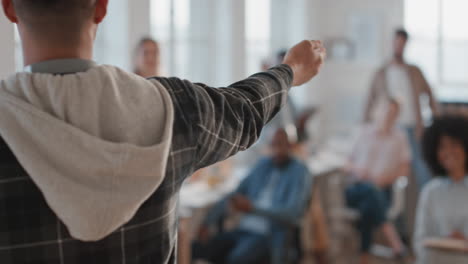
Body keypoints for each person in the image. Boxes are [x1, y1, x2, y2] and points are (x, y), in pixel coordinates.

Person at [0, 0, 326, 263]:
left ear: (9, 8)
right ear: (101, 7)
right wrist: (291, 70)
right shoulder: (169, 106)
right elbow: (244, 107)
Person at [192, 129, 312, 264]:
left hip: (269, 236)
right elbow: (235, 195)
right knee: (198, 248)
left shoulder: (300, 172)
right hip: (244, 229)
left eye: (281, 144)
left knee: (235, 259)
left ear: (291, 146)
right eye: (274, 145)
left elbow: (293, 214)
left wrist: (253, 209)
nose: (277, 149)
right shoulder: (263, 164)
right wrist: (208, 222)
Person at [364, 28, 438, 187]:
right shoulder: (381, 73)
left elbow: (429, 93)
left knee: (421, 167)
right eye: (397, 43)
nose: (399, 47)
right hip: (389, 128)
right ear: (392, 43)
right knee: (387, 168)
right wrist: (366, 124)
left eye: (402, 44)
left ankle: (428, 199)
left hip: (412, 126)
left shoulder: (414, 71)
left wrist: (435, 119)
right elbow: (370, 100)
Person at [346, 99, 410, 264]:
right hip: (356, 189)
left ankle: (364, 257)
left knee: (370, 201)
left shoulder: (400, 137)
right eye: (385, 111)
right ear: (376, 111)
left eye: (392, 113)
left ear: (397, 116)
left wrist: (386, 179)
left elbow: (405, 169)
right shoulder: (361, 132)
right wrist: (358, 170)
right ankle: (394, 241)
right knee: (370, 191)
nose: (387, 115)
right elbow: (346, 164)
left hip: (384, 190)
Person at [414, 116, 468, 264]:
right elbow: (419, 241)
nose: (448, 152)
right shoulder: (430, 191)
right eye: (442, 146)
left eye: (454, 144)